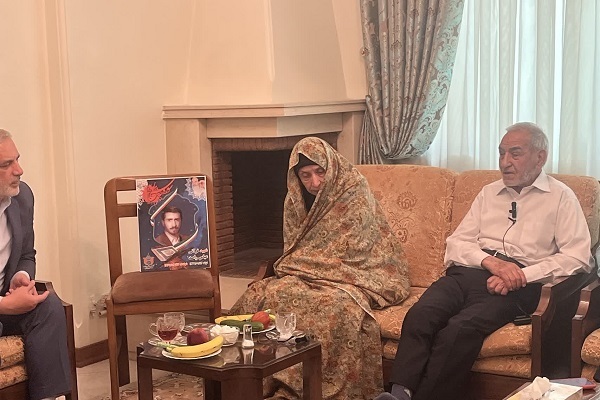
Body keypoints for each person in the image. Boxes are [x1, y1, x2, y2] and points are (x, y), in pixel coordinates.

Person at [375, 122, 594, 400]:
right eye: (501, 153)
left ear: (540, 157)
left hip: (516, 287)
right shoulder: (488, 193)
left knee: (459, 330)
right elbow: (456, 244)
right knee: (422, 315)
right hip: (470, 273)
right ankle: (398, 395)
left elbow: (578, 257)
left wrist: (521, 275)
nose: (505, 162)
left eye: (515, 153)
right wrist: (491, 263)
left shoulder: (561, 197)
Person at [230, 136, 411, 400]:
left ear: (331, 166)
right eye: (306, 176)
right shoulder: (294, 201)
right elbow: (294, 248)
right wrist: (304, 268)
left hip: (358, 273)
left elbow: (359, 248)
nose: (314, 182)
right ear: (296, 177)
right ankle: (264, 382)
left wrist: (311, 268)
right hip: (306, 272)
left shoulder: (353, 189)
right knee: (267, 293)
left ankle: (316, 389)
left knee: (336, 307)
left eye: (319, 172)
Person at [0, 129, 71, 400]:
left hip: (7, 298)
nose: (19, 170)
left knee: (49, 306)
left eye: (17, 159)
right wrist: (4, 305)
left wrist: (20, 276)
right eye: (6, 164)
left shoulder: (22, 197)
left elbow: (27, 254)